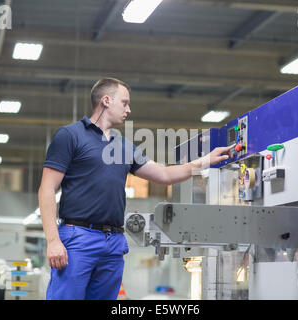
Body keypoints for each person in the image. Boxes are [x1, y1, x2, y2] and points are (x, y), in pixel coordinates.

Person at [38, 77, 232, 300]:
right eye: (125, 102)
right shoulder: (70, 136)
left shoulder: (123, 146)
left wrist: (205, 160)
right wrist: (53, 241)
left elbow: (164, 175)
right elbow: (46, 189)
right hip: (78, 237)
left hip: (113, 242)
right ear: (106, 101)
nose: (129, 109)